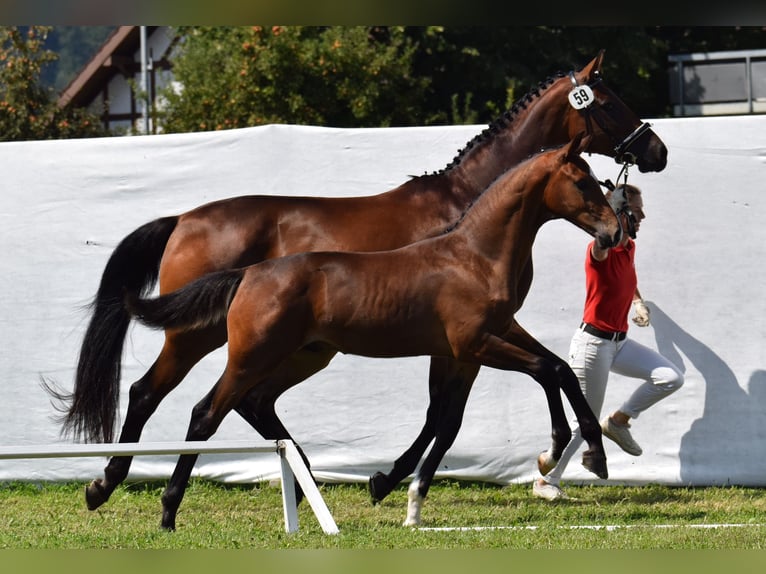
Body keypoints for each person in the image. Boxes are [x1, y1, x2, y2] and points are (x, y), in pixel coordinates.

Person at [532, 183, 684, 501]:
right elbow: (601, 246)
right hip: (592, 346)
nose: (642, 216)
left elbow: (629, 276)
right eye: (637, 211)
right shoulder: (598, 252)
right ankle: (547, 481)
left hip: (619, 343)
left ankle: (618, 422)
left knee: (670, 377)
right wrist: (608, 216)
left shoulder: (629, 249)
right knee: (584, 419)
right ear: (621, 213)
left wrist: (638, 302)